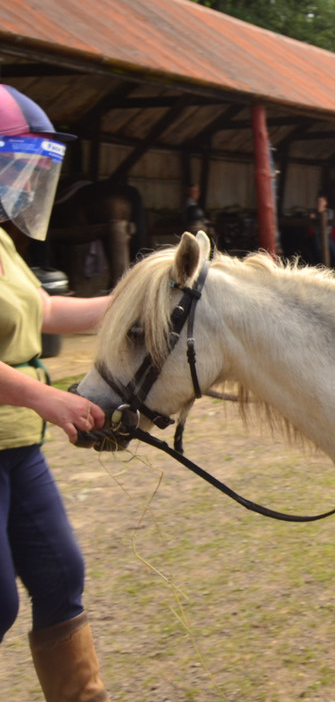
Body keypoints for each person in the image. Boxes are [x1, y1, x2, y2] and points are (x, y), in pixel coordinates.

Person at [0, 84, 112, 701]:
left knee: (61, 573)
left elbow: (39, 309)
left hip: (17, 443)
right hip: (17, 418)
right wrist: (46, 397)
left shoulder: (0, 242)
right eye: (12, 163)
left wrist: (128, 301)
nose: (19, 183)